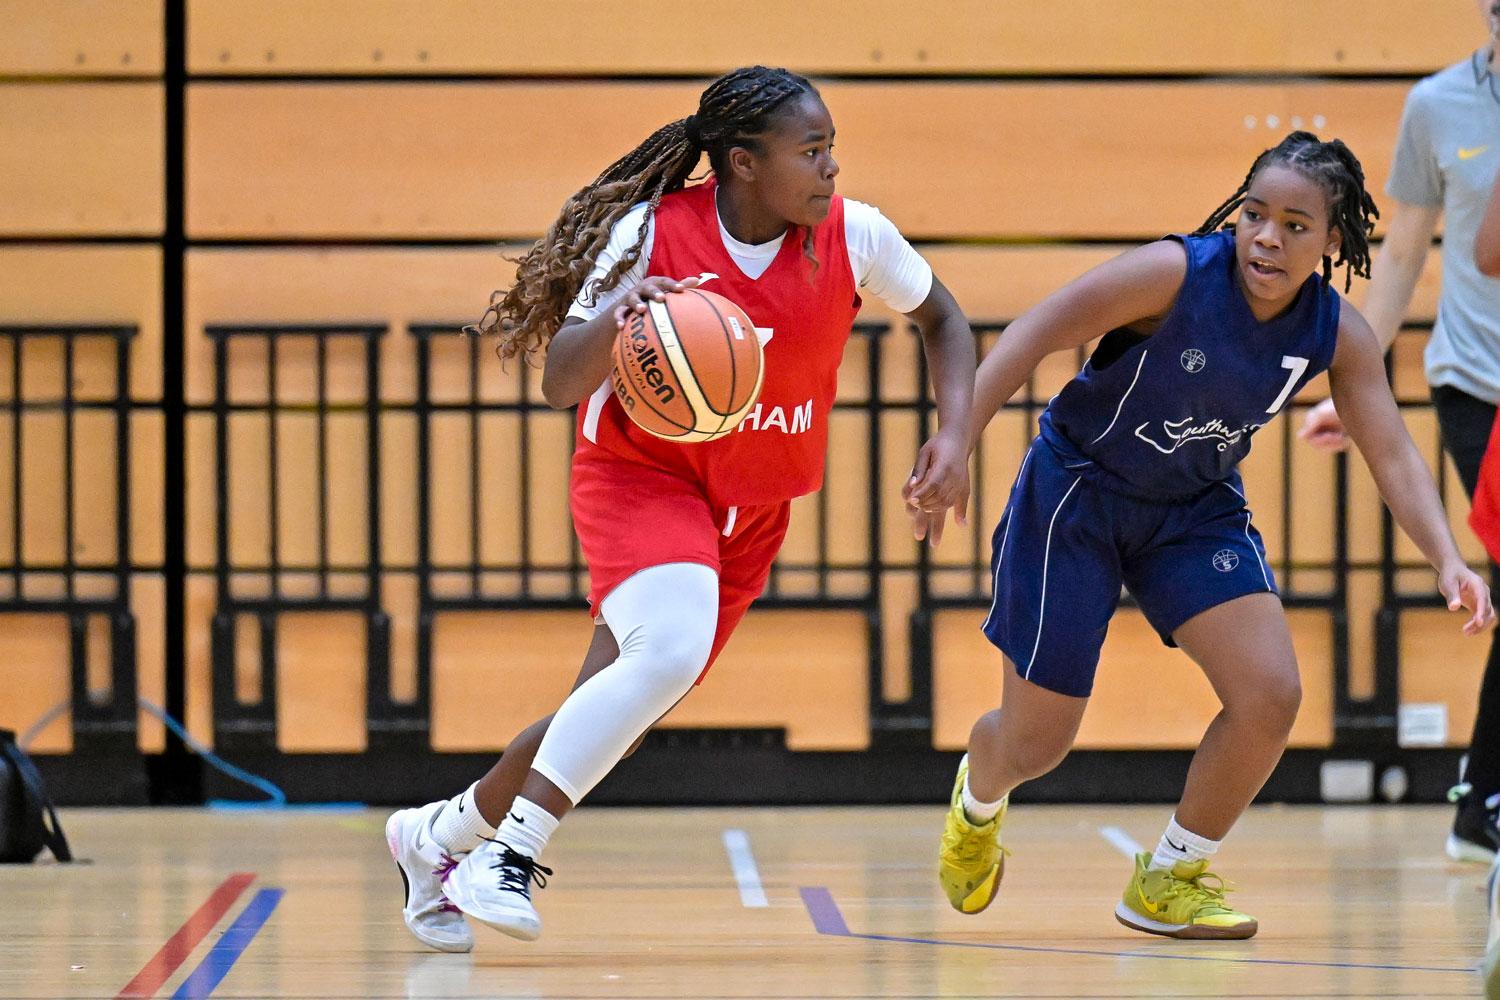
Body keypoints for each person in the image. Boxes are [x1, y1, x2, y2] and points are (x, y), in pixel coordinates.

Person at [384, 65, 977, 951]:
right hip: (640, 476)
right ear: (742, 162)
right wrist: (619, 311)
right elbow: (557, 383)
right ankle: (511, 855)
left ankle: (437, 834)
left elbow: (946, 320)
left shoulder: (857, 237)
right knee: (666, 653)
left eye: (832, 150)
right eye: (811, 152)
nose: (831, 169)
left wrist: (955, 436)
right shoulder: (648, 235)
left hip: (752, 507)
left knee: (613, 704)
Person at [923, 132, 1494, 941]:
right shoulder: (1174, 273)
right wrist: (955, 442)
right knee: (1036, 744)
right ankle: (979, 802)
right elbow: (1034, 331)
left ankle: (1170, 877)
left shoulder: (1336, 332)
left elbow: (1392, 450)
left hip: (1192, 508)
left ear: (1334, 241)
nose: (1268, 236)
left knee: (1270, 694)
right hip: (1079, 492)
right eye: (1256, 214)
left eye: (1297, 225)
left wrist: (1446, 558)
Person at [1300, 0, 1500, 865]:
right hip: (1478, 381)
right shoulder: (1439, 106)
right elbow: (1409, 253)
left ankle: (1478, 805)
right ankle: (1485, 802)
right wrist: (1357, 378)